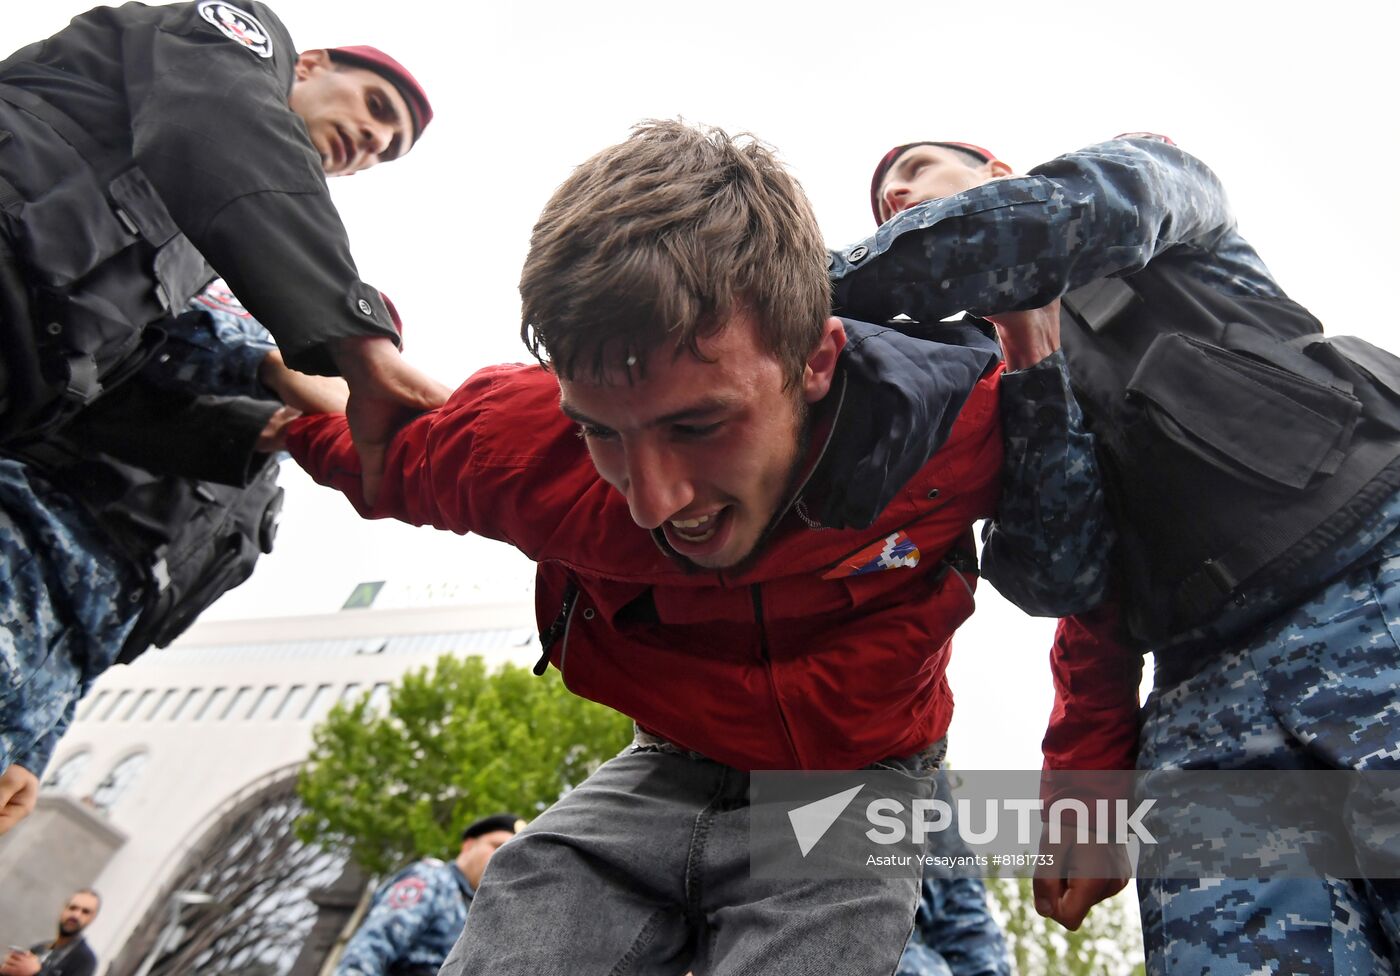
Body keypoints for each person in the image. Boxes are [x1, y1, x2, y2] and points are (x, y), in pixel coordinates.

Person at [287, 120, 1111, 975]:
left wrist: (1086, 791)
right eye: (602, 430)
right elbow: (373, 451)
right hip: (665, 765)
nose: (653, 500)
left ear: (816, 362)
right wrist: (263, 402)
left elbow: (1095, 587)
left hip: (853, 785)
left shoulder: (969, 422)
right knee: (529, 916)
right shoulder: (522, 448)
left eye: (698, 425)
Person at [838, 135, 1400, 974]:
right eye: (881, 198)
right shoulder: (983, 379)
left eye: (916, 170)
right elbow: (1066, 586)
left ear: (996, 172)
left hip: (1374, 599)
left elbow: (1022, 230)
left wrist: (771, 290)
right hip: (1203, 699)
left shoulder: (1149, 191)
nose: (896, 196)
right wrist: (1085, 804)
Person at [0, 2, 450, 495]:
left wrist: (259, 425)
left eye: (386, 151)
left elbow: (105, 390)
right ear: (311, 63)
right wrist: (361, 347)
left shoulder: (202, 254)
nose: (375, 138)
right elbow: (225, 118)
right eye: (377, 105)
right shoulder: (236, 38)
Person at [0, 276, 347, 833]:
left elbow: (115, 624)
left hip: (39, 688)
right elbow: (128, 339)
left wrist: (35, 747)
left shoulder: (258, 500)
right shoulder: (249, 320)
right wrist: (269, 368)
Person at [335, 813, 522, 976]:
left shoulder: (483, 910)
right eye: (497, 846)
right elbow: (371, 948)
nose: (501, 858)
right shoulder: (432, 880)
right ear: (468, 846)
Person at [0, 888, 100, 976]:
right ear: (63, 909)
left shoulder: (85, 960)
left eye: (85, 912)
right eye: (73, 908)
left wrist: (36, 973)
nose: (76, 915)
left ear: (92, 918)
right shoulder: (40, 948)